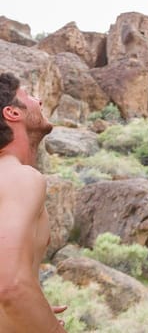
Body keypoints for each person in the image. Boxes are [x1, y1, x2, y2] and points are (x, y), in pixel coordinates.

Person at [0, 73, 67, 332]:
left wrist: (33, 310)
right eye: (28, 95)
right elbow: (11, 285)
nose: (39, 101)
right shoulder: (20, 177)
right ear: (12, 113)